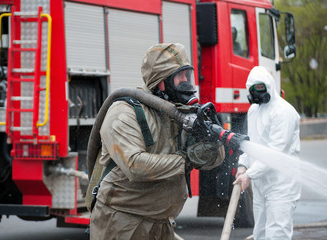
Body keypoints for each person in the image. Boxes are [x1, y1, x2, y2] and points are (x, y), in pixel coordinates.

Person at [89, 43, 225, 240]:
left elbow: (214, 161)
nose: (187, 83)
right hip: (122, 223)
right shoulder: (125, 112)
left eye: (189, 76)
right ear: (162, 82)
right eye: (181, 77)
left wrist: (211, 141)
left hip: (162, 221)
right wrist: (186, 161)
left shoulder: (180, 113)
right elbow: (134, 165)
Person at [234, 66, 301, 240]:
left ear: (270, 86)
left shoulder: (284, 112)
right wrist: (242, 165)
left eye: (261, 87)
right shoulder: (253, 111)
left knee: (277, 234)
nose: (257, 92)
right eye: (253, 88)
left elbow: (274, 153)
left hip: (281, 187)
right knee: (260, 234)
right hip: (261, 187)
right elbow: (250, 144)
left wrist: (249, 174)